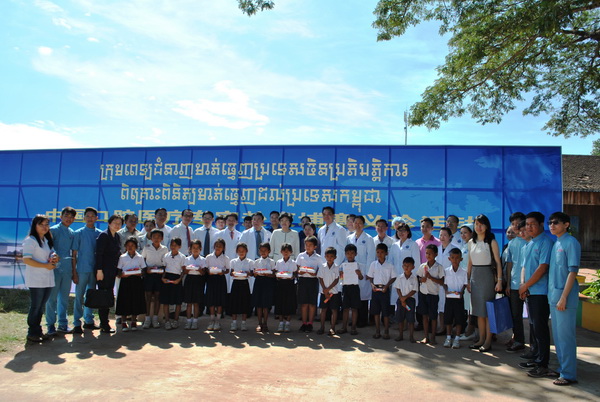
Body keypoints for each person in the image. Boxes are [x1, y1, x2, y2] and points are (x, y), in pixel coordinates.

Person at [518, 212, 555, 378]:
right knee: (534, 327)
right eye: (527, 224)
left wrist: (526, 285)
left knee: (540, 328)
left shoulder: (546, 242)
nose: (529, 227)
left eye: (532, 224)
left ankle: (543, 364)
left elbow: (542, 268)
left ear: (541, 224)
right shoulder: (529, 244)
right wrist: (523, 286)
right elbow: (525, 267)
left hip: (540, 292)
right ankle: (536, 358)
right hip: (530, 291)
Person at [547, 212, 581, 386]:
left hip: (564, 298)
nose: (551, 225)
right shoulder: (557, 243)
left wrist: (564, 297)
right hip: (554, 296)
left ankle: (568, 374)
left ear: (566, 224)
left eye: (555, 222)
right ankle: (562, 368)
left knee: (566, 337)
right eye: (550, 222)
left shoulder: (571, 242)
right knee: (559, 337)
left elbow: (572, 272)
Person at [467, 214, 502, 352]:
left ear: (486, 226)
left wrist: (499, 281)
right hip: (475, 276)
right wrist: (468, 280)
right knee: (479, 311)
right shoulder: (471, 242)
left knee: (488, 311)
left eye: (481, 224)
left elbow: (498, 262)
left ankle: (488, 341)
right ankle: (481, 339)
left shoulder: (491, 242)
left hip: (487, 276)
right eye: (476, 224)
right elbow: (470, 263)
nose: (478, 227)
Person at [23, 215, 58, 342]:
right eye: (41, 224)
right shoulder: (30, 240)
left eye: (46, 224)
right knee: (36, 306)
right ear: (35, 226)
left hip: (47, 278)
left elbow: (52, 253)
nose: (44, 227)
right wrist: (45, 265)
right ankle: (32, 332)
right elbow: (27, 259)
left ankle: (38, 331)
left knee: (41, 306)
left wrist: (55, 257)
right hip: (36, 279)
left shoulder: (46, 240)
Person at [71, 207, 103, 333]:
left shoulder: (100, 234)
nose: (90, 218)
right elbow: (74, 254)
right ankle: (76, 323)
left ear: (96, 218)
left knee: (90, 296)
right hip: (82, 270)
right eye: (88, 216)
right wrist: (74, 272)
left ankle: (89, 321)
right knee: (79, 297)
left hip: (94, 270)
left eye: (92, 216)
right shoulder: (78, 233)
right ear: (84, 218)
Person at [46, 206, 76, 335]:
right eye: (66, 216)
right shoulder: (53, 230)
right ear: (61, 217)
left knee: (64, 298)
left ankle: (62, 324)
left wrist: (73, 270)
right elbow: (47, 248)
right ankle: (50, 325)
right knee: (51, 298)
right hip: (54, 268)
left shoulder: (71, 233)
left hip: (67, 268)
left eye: (71, 217)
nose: (68, 219)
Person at [95, 214, 124, 333]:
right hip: (103, 271)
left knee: (108, 296)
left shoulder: (117, 236)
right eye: (115, 223)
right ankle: (104, 324)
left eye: (119, 223)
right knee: (103, 297)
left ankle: (104, 322)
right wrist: (99, 270)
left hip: (112, 271)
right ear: (109, 223)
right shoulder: (104, 235)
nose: (117, 225)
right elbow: (98, 254)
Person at [346, 215, 375, 328]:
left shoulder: (368, 238)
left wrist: (368, 272)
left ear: (363, 225)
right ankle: (354, 319)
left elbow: (371, 256)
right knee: (354, 295)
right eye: (355, 223)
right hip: (351, 270)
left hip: (363, 270)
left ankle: (362, 320)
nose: (357, 225)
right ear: (353, 224)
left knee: (363, 296)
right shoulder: (349, 238)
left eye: (360, 223)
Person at [504, 212, 527, 353]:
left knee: (533, 318)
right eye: (513, 224)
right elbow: (509, 264)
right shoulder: (512, 243)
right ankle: (518, 340)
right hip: (513, 284)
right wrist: (507, 283)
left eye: (518, 223)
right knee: (515, 314)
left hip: (530, 285)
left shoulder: (530, 241)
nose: (515, 226)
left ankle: (535, 344)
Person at [116, 237, 146, 332]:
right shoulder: (122, 257)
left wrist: (140, 273)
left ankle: (133, 321)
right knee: (124, 301)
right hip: (125, 281)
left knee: (135, 301)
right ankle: (124, 322)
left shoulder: (140, 257)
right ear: (125, 246)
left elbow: (144, 270)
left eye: (132, 245)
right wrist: (121, 275)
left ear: (136, 247)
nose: (130, 247)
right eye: (128, 245)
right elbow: (119, 270)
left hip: (136, 281)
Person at [367, 243, 397, 339]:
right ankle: (377, 330)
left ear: (386, 253)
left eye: (382, 252)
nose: (380, 254)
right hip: (375, 290)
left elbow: (393, 277)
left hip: (385, 290)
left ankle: (386, 331)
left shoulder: (390, 265)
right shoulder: (373, 264)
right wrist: (372, 285)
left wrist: (387, 286)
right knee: (376, 312)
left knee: (385, 312)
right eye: (378, 252)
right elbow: (370, 276)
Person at [416, 244, 444, 344]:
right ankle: (426, 336)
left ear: (436, 254)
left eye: (430, 253)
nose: (428, 255)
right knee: (424, 315)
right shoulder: (422, 266)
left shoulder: (439, 267)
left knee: (433, 316)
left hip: (433, 294)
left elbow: (442, 281)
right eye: (426, 253)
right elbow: (418, 278)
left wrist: (431, 278)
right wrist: (421, 279)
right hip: (423, 293)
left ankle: (433, 337)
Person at [389, 222, 421, 311]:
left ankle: (409, 316)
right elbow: (390, 262)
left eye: (403, 231)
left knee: (408, 302)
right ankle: (398, 317)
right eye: (399, 231)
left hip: (409, 277)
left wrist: (412, 277)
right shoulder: (394, 245)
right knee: (397, 302)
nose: (401, 233)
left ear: (408, 232)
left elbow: (416, 263)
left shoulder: (413, 244)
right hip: (397, 277)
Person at [296, 236, 324, 332]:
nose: (308, 247)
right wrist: (300, 272)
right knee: (304, 303)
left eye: (310, 245)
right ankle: (304, 323)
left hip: (313, 281)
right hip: (303, 280)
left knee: (312, 303)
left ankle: (310, 323)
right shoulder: (301, 256)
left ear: (315, 246)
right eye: (306, 245)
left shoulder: (318, 258)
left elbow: (321, 270)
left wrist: (315, 274)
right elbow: (297, 268)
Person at [141, 229, 168, 329]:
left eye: (158, 237)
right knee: (148, 297)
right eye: (154, 237)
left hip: (159, 275)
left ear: (162, 238)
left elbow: (166, 262)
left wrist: (163, 271)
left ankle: (155, 318)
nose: (156, 239)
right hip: (149, 275)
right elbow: (142, 259)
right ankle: (147, 318)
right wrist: (146, 269)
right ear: (151, 238)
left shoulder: (164, 249)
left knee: (157, 296)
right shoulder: (147, 247)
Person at [435, 227, 460, 333]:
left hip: (451, 281)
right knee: (440, 305)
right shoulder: (437, 249)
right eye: (440, 235)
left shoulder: (454, 249)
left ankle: (451, 328)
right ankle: (442, 327)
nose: (442, 237)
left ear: (450, 237)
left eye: (445, 235)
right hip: (439, 281)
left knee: (451, 305)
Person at [443, 248, 468, 349]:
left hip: (459, 298)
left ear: (461, 259)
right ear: (449, 259)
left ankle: (457, 338)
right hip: (449, 298)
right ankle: (448, 337)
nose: (455, 260)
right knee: (448, 318)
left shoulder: (464, 272)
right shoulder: (446, 271)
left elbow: (465, 284)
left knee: (459, 318)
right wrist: (446, 291)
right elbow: (444, 284)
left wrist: (461, 291)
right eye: (453, 257)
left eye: (457, 258)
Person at [160, 237, 186, 330]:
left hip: (177, 278)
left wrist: (179, 279)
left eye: (175, 245)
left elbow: (183, 270)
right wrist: (163, 278)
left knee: (178, 301)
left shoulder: (182, 257)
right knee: (166, 301)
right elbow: (164, 268)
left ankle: (176, 320)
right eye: (172, 245)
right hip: (167, 278)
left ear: (179, 246)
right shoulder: (166, 255)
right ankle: (167, 321)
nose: (173, 247)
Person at [338, 244, 363, 335]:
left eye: (352, 253)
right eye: (348, 253)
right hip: (346, 287)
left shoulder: (358, 265)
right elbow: (341, 279)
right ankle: (344, 327)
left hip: (354, 287)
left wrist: (359, 274)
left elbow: (361, 278)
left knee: (354, 308)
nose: (350, 255)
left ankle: (353, 327)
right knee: (345, 308)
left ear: (356, 254)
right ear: (345, 254)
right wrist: (341, 275)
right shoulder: (342, 265)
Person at [205, 238, 230, 331]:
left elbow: (227, 270)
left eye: (220, 246)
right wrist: (208, 271)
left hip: (220, 279)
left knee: (219, 300)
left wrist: (222, 272)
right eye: (216, 246)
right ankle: (212, 320)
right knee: (211, 300)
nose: (218, 248)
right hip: (211, 279)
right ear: (214, 246)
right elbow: (206, 268)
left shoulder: (226, 258)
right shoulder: (208, 257)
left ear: (223, 248)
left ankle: (218, 321)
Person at [229, 243, 254, 331]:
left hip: (244, 283)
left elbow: (252, 273)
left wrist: (247, 273)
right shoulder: (233, 261)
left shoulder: (250, 262)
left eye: (243, 251)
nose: (241, 252)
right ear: (236, 252)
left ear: (246, 251)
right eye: (239, 251)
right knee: (234, 303)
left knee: (245, 303)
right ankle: (234, 323)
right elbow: (231, 272)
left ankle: (243, 323)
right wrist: (233, 273)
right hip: (236, 283)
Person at [317, 247, 341, 336]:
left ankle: (332, 328)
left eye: (331, 256)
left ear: (335, 257)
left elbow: (336, 280)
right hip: (324, 293)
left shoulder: (337, 267)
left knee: (334, 310)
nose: (329, 258)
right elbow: (320, 279)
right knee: (323, 310)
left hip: (334, 292)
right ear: (325, 257)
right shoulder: (322, 267)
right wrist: (325, 290)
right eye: (328, 256)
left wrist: (328, 289)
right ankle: (322, 327)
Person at [183, 239, 207, 330]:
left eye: (197, 248)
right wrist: (189, 268)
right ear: (190, 249)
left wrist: (199, 269)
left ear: (200, 249)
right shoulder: (187, 259)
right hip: (189, 280)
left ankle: (195, 321)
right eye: (193, 248)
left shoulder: (203, 259)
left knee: (196, 303)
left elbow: (203, 273)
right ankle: (188, 321)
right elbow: (185, 271)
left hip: (198, 281)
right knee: (189, 303)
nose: (195, 250)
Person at [274, 243, 297, 333]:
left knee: (289, 303)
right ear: (281, 252)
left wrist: (292, 276)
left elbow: (295, 273)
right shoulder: (279, 262)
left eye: (288, 251)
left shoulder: (293, 262)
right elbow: (276, 272)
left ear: (291, 252)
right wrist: (278, 275)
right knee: (280, 303)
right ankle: (280, 323)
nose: (286, 252)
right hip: (281, 284)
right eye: (284, 251)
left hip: (290, 284)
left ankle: (287, 323)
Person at [394, 257, 418, 343]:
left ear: (413, 267)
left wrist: (405, 297)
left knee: (410, 318)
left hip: (410, 301)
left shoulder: (414, 278)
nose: (406, 267)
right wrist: (402, 298)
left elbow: (414, 290)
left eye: (409, 266)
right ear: (402, 266)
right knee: (400, 318)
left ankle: (411, 336)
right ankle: (400, 335)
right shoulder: (399, 277)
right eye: (405, 265)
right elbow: (397, 288)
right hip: (401, 300)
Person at [253, 242, 276, 332]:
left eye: (265, 250)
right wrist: (255, 273)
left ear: (269, 251)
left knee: (266, 305)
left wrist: (268, 274)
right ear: (259, 251)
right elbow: (254, 273)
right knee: (259, 305)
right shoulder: (256, 261)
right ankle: (259, 323)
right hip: (259, 282)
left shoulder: (272, 261)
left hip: (267, 283)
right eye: (261, 250)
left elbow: (274, 274)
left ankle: (265, 323)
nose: (263, 252)